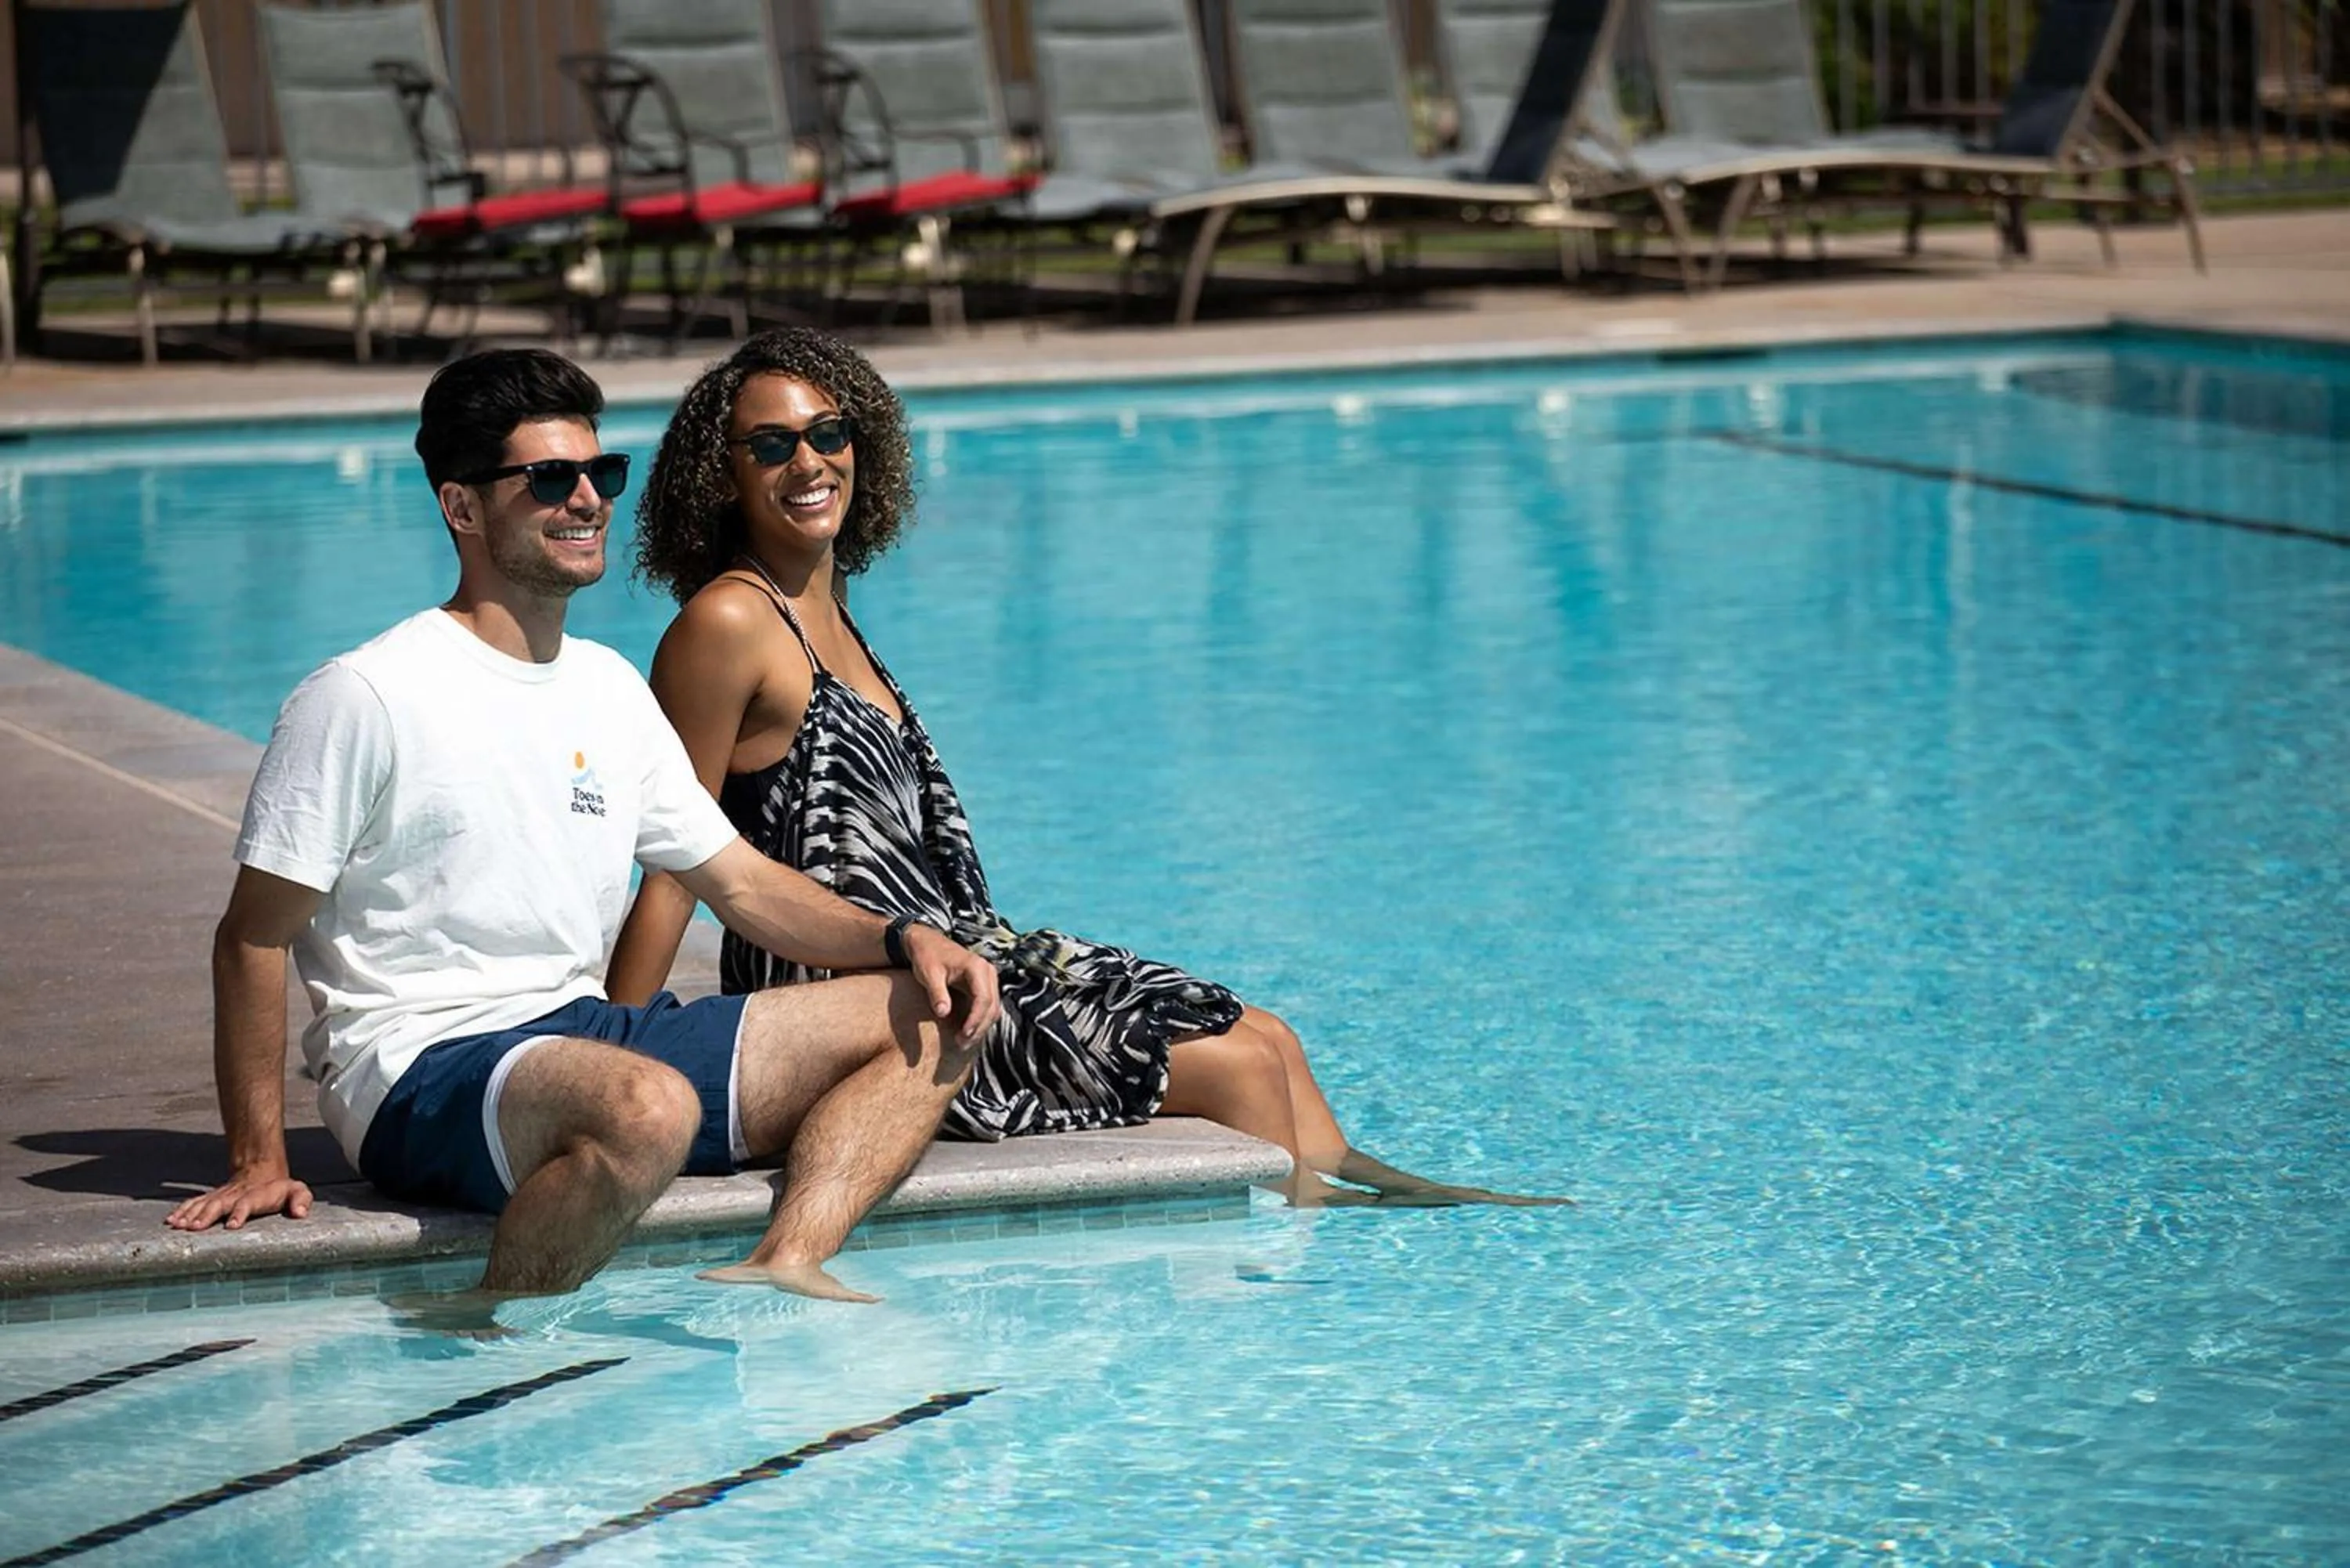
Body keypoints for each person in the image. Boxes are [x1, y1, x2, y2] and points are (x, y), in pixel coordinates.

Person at [608, 329, 1565, 1209]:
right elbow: (676, 858)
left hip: (963, 953)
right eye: (772, 446)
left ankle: (1389, 1199)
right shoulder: (728, 623)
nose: (810, 462)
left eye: (829, 433)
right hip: (878, 998)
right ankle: (1314, 1246)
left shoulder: (827, 603)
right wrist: (617, 1047)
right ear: (721, 475)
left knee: (1270, 1035)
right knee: (1235, 1067)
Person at [165, 349, 1004, 1305]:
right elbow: (253, 936)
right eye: (549, 479)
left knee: (935, 1009)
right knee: (645, 1109)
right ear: (462, 507)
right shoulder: (365, 695)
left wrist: (904, 938)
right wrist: (258, 1160)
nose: (587, 500)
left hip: (585, 1032)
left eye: (600, 473)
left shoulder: (606, 687)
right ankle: (482, 1326)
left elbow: (738, 881)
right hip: (421, 1066)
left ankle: (790, 1257)